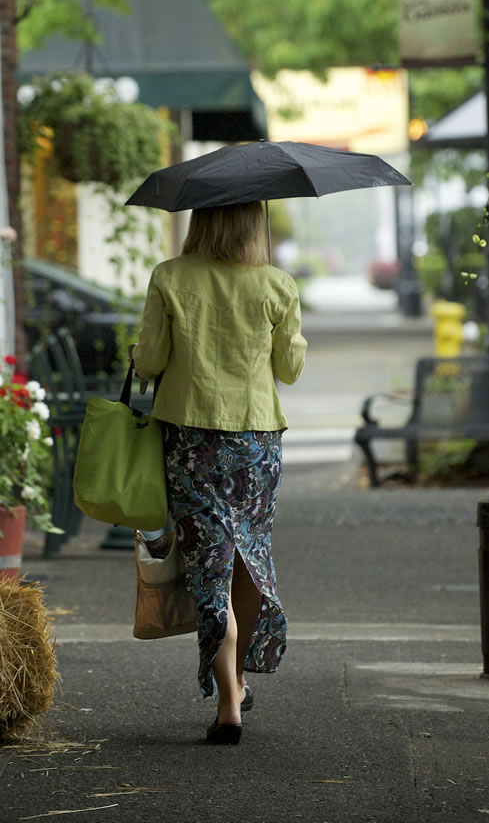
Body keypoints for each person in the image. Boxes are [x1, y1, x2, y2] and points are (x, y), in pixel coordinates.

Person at [130, 201, 307, 746]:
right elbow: (290, 370)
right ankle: (240, 677)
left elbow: (151, 361)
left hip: (192, 440)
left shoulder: (170, 277)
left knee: (208, 564)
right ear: (255, 224)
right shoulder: (277, 285)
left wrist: (139, 351)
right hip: (256, 441)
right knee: (248, 556)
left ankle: (228, 699)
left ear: (201, 219)